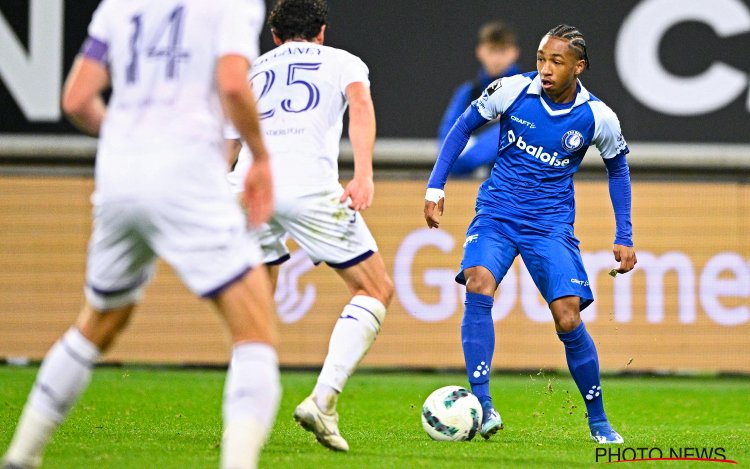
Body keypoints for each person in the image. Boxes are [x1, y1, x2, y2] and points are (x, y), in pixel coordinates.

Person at [2, 1, 279, 468]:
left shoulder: (120, 3)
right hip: (187, 169)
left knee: (100, 322)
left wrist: (131, 139)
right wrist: (261, 157)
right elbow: (233, 82)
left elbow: (76, 99)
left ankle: (20, 457)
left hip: (118, 176)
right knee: (255, 330)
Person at [424, 24, 636, 444]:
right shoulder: (511, 91)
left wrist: (624, 234)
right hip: (497, 213)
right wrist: (436, 186)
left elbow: (618, 169)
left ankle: (598, 422)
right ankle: (483, 406)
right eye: (541, 58)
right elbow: (462, 128)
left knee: (568, 316)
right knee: (478, 281)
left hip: (550, 226)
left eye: (556, 61)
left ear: (579, 67)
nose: (545, 68)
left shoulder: (598, 116)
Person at [225, 0, 393, 453]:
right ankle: (323, 400)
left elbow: (227, 143)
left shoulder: (251, 70)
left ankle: (239, 427)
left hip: (245, 187)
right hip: (307, 186)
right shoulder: (344, 62)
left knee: (251, 314)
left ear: (275, 36)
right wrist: (363, 175)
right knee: (374, 288)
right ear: (322, 31)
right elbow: (360, 105)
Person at [437, 21, 520, 178]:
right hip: (475, 186)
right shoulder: (467, 93)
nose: (496, 58)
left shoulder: (527, 91)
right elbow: (447, 148)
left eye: (502, 51)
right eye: (491, 51)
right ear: (480, 51)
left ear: (514, 52)